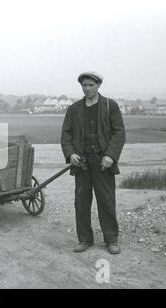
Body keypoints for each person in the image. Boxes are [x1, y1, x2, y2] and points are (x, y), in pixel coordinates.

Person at [61, 72, 125, 254]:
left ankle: (111, 239)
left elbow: (119, 133)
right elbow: (66, 135)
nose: (87, 89)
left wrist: (110, 156)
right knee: (81, 201)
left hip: (103, 161)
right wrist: (71, 153)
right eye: (84, 86)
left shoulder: (109, 105)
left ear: (98, 86)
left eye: (91, 85)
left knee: (106, 200)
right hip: (81, 162)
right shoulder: (74, 109)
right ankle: (85, 239)